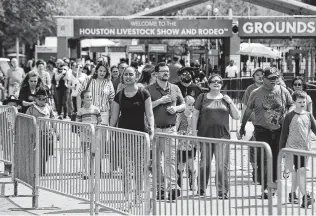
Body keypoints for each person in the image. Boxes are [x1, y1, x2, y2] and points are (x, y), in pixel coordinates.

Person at [239, 67, 294, 199]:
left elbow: (291, 104)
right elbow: (248, 110)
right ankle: (265, 187)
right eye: (271, 78)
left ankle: (273, 187)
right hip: (261, 130)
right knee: (263, 160)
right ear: (264, 79)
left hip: (278, 130)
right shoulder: (256, 93)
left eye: (276, 77)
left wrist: (288, 115)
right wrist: (242, 125)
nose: (274, 80)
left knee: (276, 159)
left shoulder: (283, 90)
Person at [110, 66, 154, 206]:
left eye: (131, 74)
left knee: (139, 168)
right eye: (125, 74)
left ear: (136, 76)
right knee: (127, 169)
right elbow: (114, 117)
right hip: (124, 136)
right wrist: (111, 133)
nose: (128, 77)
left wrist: (152, 129)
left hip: (140, 135)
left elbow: (150, 114)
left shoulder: (143, 93)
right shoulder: (119, 95)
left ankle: (138, 195)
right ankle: (127, 197)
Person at [192, 74, 240, 199]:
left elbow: (236, 116)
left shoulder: (226, 98)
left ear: (222, 84)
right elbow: (195, 115)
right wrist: (193, 134)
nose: (216, 83)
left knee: (221, 165)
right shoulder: (202, 97)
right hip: (205, 136)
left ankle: (222, 191)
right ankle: (201, 189)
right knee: (204, 164)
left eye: (219, 81)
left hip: (222, 137)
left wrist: (230, 103)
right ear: (208, 84)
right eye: (213, 81)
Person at [146, 62, 185, 200]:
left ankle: (173, 188)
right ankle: (160, 188)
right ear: (156, 74)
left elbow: (184, 104)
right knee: (156, 162)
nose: (166, 73)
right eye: (163, 71)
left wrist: (176, 109)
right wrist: (160, 101)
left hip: (170, 130)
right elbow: (145, 108)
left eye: (167, 71)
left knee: (171, 160)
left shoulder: (174, 88)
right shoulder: (148, 89)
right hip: (154, 130)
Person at [279, 90, 316, 208]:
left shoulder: (309, 115)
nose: (302, 103)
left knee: (297, 174)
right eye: (299, 101)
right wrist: (282, 151)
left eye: (304, 101)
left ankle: (292, 193)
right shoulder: (289, 116)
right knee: (300, 174)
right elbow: (284, 135)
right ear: (294, 102)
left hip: (304, 150)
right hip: (292, 149)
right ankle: (306, 196)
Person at [240, 67, 264, 183]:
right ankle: (256, 170)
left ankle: (264, 170)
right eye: (257, 74)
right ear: (253, 77)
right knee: (253, 148)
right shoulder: (250, 89)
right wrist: (242, 124)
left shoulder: (271, 87)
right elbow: (245, 106)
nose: (260, 76)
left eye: (262, 74)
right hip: (253, 123)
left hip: (267, 124)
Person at [26, 87, 57, 176]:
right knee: (40, 153)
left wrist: (56, 132)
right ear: (35, 99)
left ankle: (41, 167)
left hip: (48, 134)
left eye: (44, 99)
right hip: (37, 134)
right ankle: (40, 171)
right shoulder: (31, 109)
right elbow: (27, 121)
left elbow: (53, 120)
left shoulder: (49, 108)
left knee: (47, 153)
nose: (42, 101)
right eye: (40, 99)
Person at [76, 90, 102, 179]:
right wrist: (82, 130)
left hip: (94, 135)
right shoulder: (80, 111)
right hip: (84, 135)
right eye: (87, 97)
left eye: (90, 97)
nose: (89, 98)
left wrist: (95, 130)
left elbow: (100, 121)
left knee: (92, 154)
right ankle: (85, 172)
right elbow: (78, 123)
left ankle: (92, 171)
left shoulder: (96, 109)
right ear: (83, 99)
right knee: (84, 153)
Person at [176, 95, 197, 191]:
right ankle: (179, 183)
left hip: (191, 143)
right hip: (181, 143)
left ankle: (193, 183)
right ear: (185, 104)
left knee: (191, 163)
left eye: (193, 105)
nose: (191, 107)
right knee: (180, 165)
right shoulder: (180, 115)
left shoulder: (195, 116)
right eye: (189, 105)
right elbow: (176, 128)